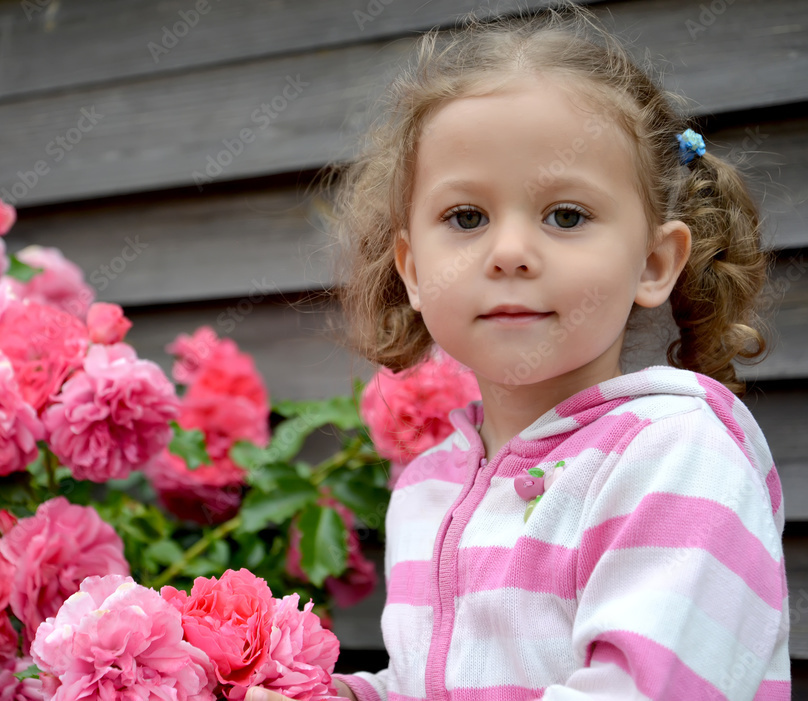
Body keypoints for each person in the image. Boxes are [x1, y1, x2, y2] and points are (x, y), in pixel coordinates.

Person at [246, 4, 789, 700]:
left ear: (655, 263)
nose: (508, 253)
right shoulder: (430, 481)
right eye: (466, 217)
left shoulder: (676, 458)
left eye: (566, 215)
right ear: (412, 269)